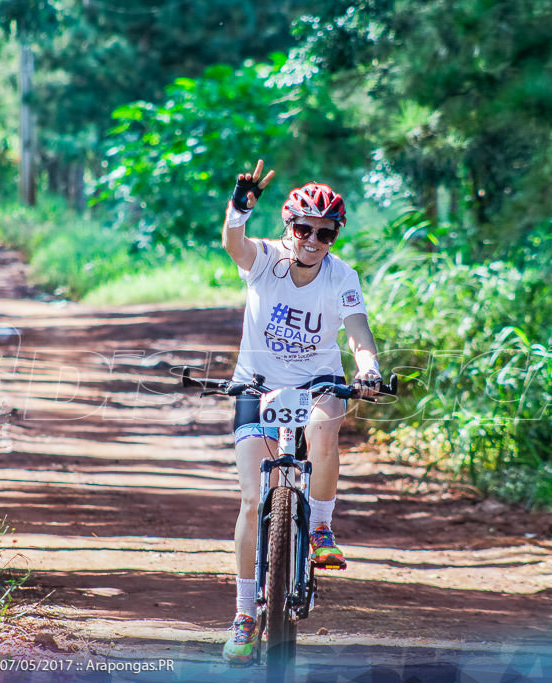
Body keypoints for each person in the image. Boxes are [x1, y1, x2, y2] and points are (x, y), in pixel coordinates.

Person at [219, 159, 383, 664]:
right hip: (257, 384)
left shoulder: (341, 276)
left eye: (325, 232)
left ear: (334, 236)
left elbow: (358, 332)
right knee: (252, 501)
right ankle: (246, 613)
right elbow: (233, 245)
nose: (313, 239)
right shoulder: (264, 260)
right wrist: (239, 209)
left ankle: (321, 530)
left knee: (324, 424)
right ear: (288, 227)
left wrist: (370, 369)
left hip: (318, 384)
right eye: (303, 228)